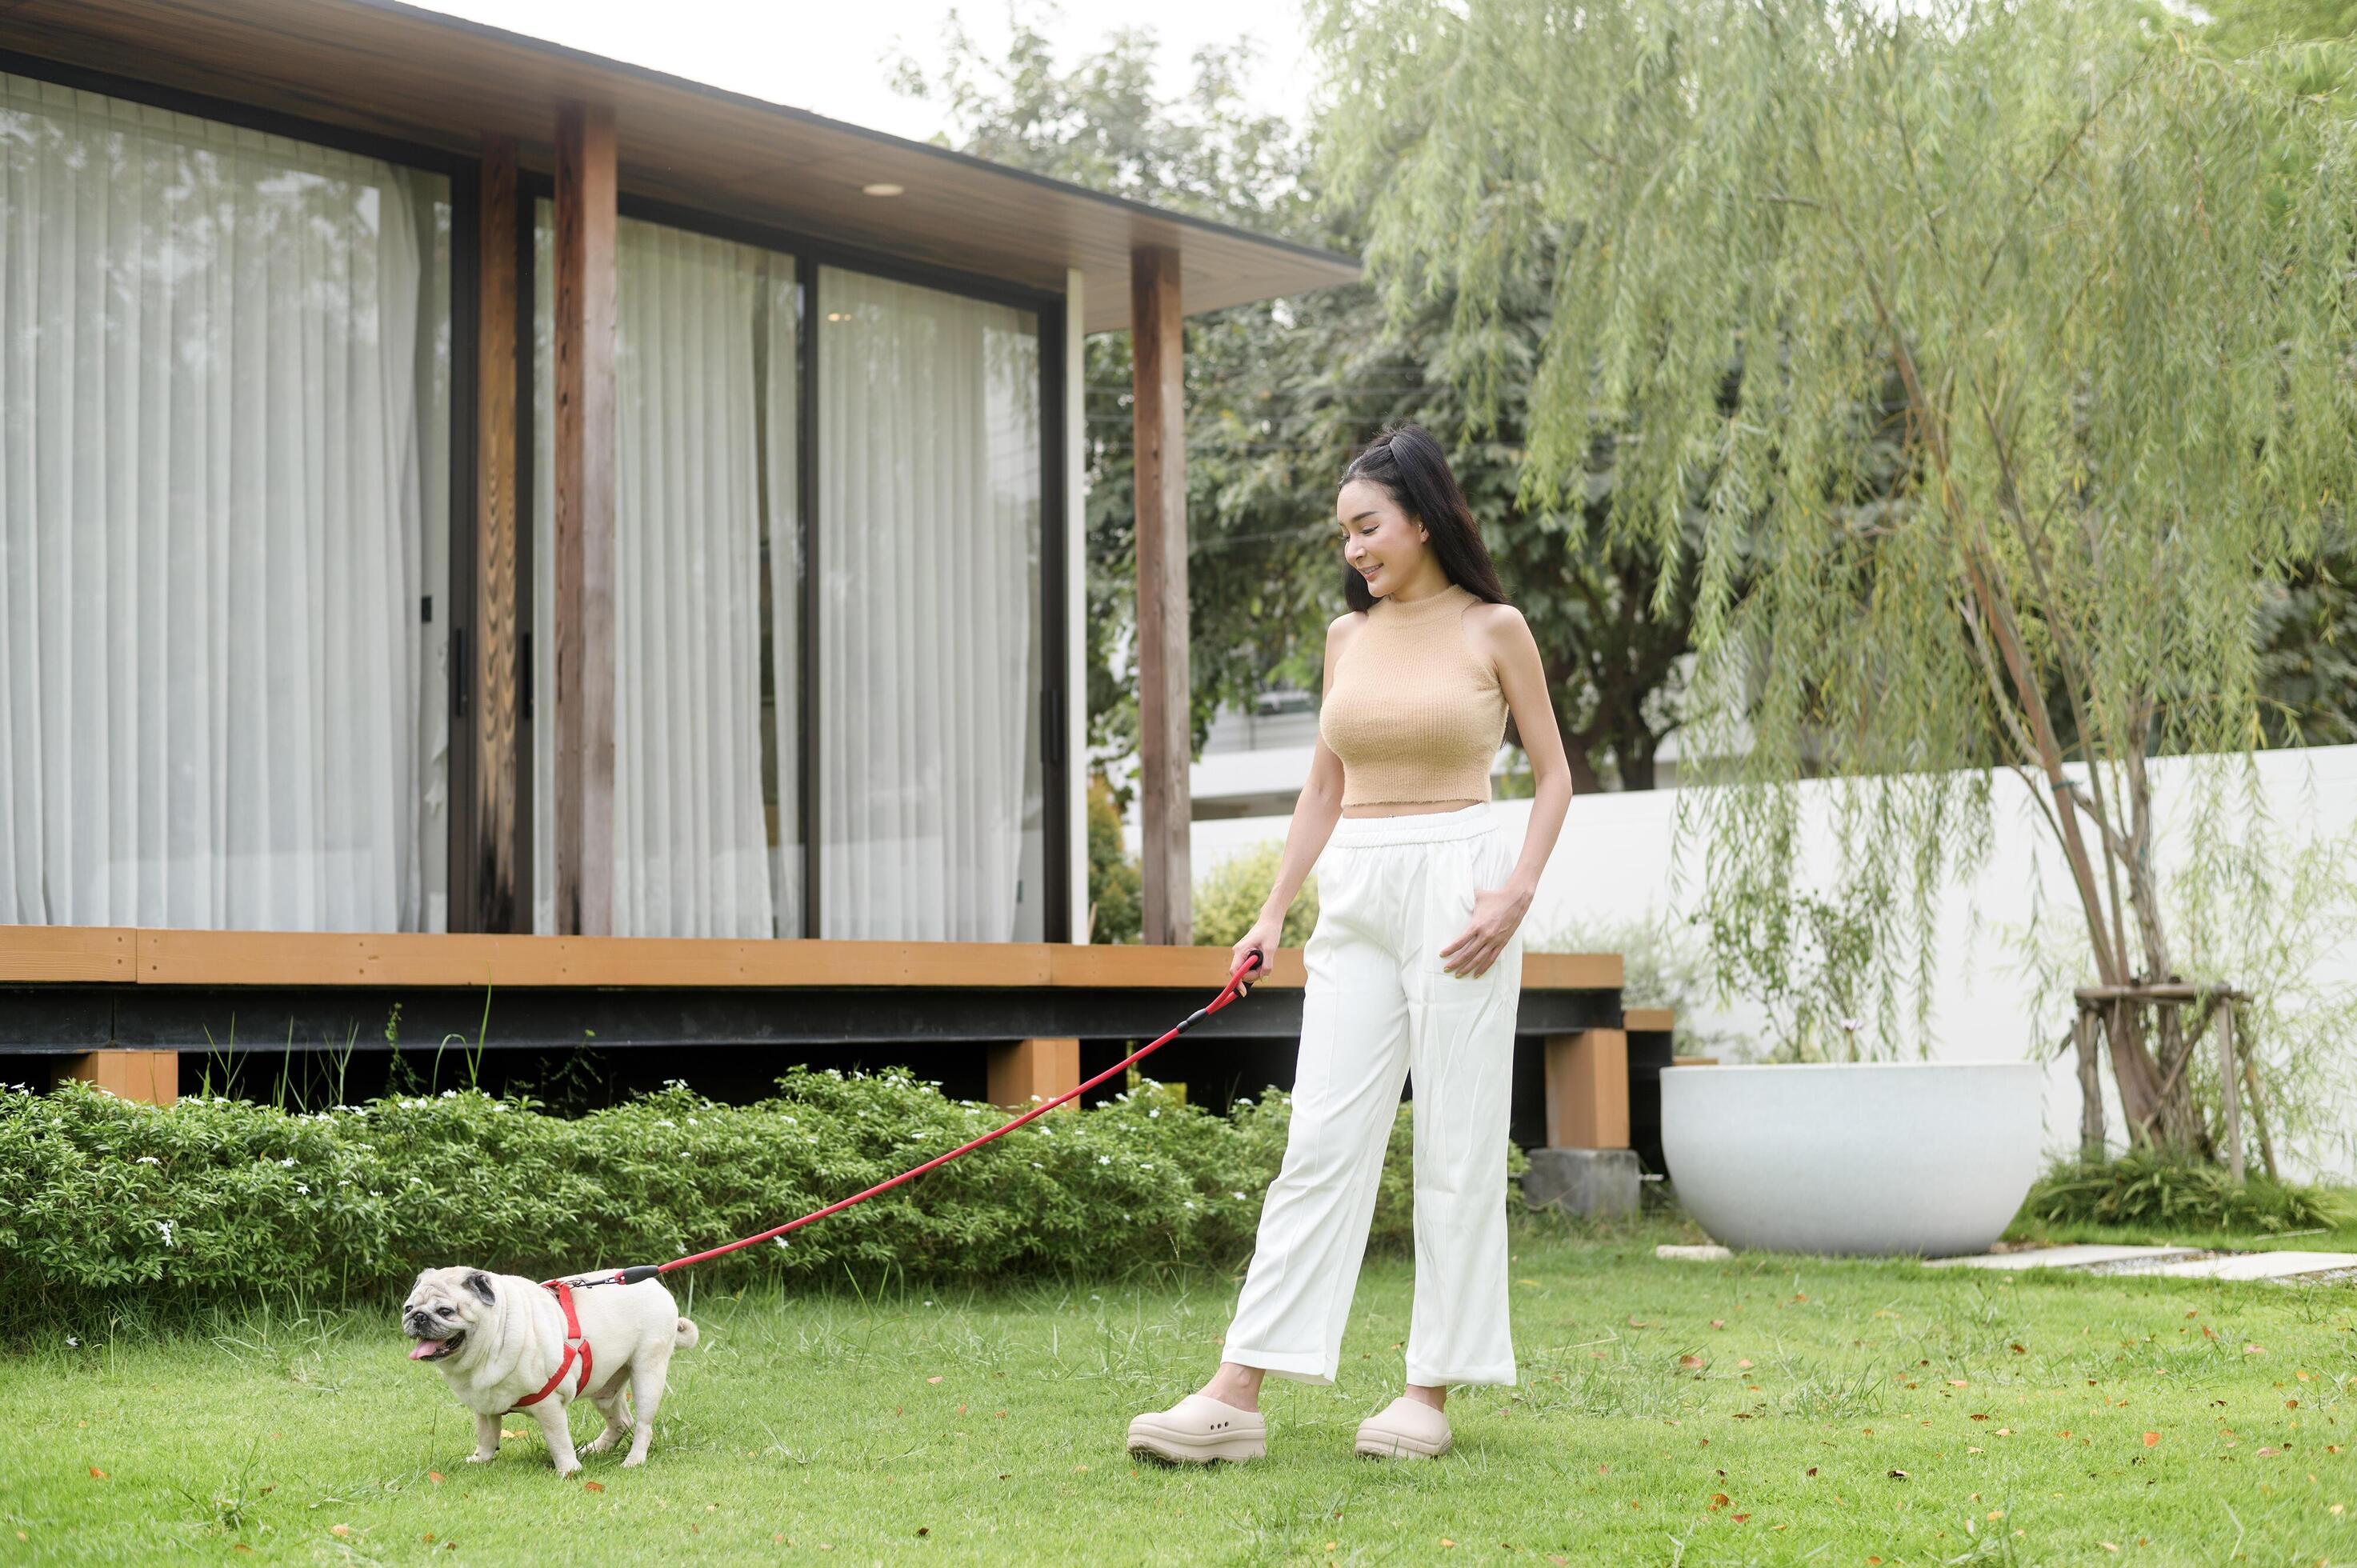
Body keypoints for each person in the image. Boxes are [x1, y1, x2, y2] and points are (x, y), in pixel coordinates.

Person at [1126, 423, 1572, 1465]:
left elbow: (1553, 776)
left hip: (1460, 884)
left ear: (1421, 518)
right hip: (1357, 892)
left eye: (1367, 526)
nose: (1354, 549)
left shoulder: (1492, 628)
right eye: (1344, 534)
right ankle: (1236, 1393)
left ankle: (1427, 1392)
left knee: (1457, 1146)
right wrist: (1270, 913)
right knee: (1319, 1140)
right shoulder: (1345, 638)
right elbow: (1322, 783)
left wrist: (1513, 894)